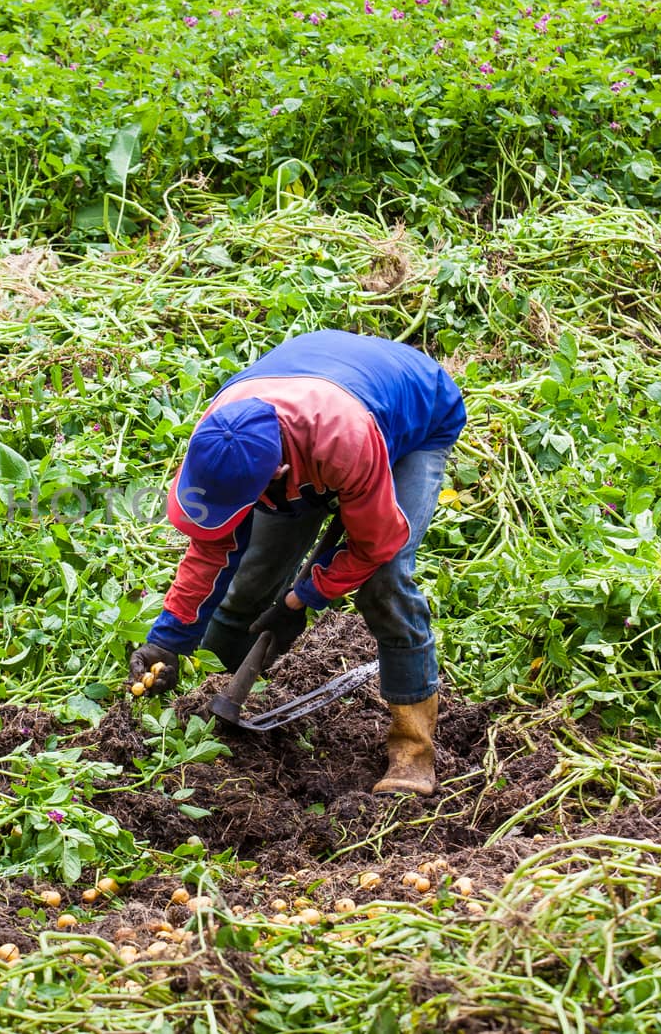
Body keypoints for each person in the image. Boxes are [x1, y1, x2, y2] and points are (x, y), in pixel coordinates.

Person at [127, 329, 466, 796]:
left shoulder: (342, 443)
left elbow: (372, 546)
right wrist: (167, 639)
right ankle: (219, 696)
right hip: (314, 407)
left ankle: (413, 749)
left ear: (280, 474)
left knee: (383, 583)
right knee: (253, 576)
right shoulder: (221, 435)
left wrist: (302, 599)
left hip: (412, 418)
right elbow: (211, 546)